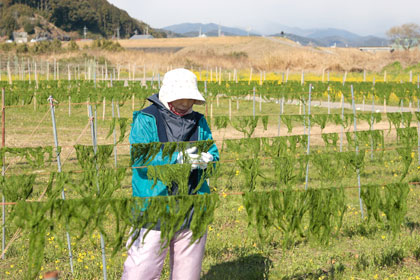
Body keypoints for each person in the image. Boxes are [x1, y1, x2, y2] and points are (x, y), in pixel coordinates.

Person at [122, 68, 219, 280]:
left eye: (190, 102)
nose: (186, 107)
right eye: (180, 102)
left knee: (188, 273)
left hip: (192, 206)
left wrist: (207, 161)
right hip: (154, 206)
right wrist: (176, 159)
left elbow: (213, 153)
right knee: (141, 270)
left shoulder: (199, 121)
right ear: (168, 98)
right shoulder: (146, 119)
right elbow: (141, 157)